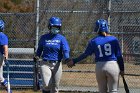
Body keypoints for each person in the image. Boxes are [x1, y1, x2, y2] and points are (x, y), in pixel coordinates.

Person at [67, 19, 124, 93]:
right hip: (112, 65)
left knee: (102, 91)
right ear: (107, 27)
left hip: (100, 66)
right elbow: (119, 55)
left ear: (97, 28)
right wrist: (122, 69)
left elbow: (85, 54)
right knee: (113, 91)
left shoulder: (94, 41)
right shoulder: (114, 39)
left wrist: (74, 61)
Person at [34, 16, 70, 93]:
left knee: (55, 88)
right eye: (54, 26)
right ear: (50, 26)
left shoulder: (61, 38)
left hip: (57, 64)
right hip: (45, 63)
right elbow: (40, 49)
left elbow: (65, 50)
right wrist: (37, 56)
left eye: (57, 27)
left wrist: (67, 58)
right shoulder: (44, 37)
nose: (55, 28)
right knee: (47, 84)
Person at [0, 19, 12, 93]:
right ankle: (8, 88)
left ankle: (7, 87)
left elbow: (5, 48)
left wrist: (6, 58)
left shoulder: (2, 36)